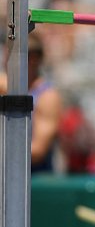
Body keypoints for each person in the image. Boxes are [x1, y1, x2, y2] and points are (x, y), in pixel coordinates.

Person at [0, 33, 63, 174]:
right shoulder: (7, 86)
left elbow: (37, 151)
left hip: (35, 182)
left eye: (9, 56)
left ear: (32, 59)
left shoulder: (47, 97)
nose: (4, 62)